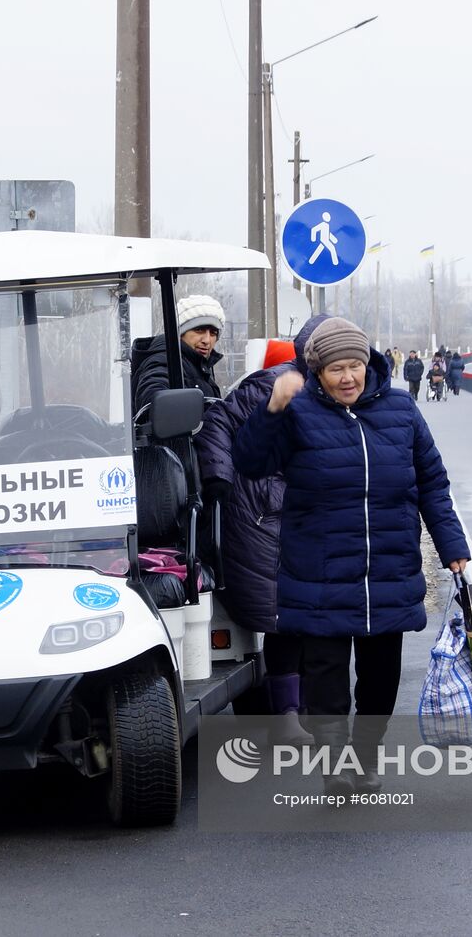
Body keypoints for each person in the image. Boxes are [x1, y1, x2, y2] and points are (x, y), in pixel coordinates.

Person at [233, 317, 471, 794]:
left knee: (381, 682)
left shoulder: (401, 410)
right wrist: (273, 409)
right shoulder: (298, 412)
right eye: (336, 368)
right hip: (319, 573)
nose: (347, 377)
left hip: (388, 568)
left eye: (354, 366)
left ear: (369, 365)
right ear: (318, 373)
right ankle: (336, 765)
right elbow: (251, 462)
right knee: (325, 683)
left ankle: (365, 758)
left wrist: (454, 549)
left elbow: (432, 485)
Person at [195, 315, 329, 743]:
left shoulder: (350, 393)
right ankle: (286, 716)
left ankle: (306, 708)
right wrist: (220, 480)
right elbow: (218, 425)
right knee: (283, 616)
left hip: (315, 515)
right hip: (266, 515)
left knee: (319, 619)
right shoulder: (269, 385)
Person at [132, 294, 224, 411]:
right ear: (180, 333)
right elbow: (153, 395)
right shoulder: (165, 360)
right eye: (199, 330)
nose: (207, 340)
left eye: (213, 333)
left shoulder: (199, 366)